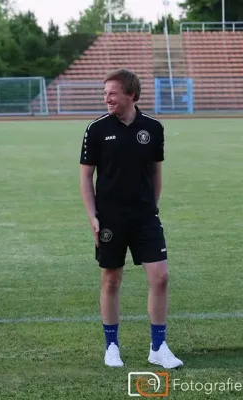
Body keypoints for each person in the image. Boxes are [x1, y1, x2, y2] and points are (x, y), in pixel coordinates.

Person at [79, 68, 183, 369]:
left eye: (112, 93)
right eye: (105, 94)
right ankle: (111, 346)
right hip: (109, 217)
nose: (106, 98)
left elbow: (155, 172)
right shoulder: (96, 129)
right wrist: (92, 216)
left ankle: (158, 347)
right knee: (111, 279)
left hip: (145, 216)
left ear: (130, 95)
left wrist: (152, 206)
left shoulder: (153, 128)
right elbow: (86, 176)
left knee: (161, 277)